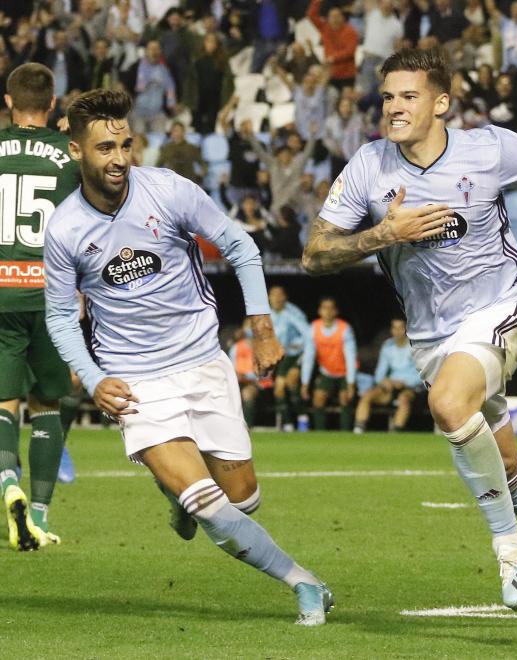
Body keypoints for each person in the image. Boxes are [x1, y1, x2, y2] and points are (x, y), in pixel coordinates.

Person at [302, 47, 517, 619]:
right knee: (503, 462)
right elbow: (314, 254)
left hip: (498, 310)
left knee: (448, 403)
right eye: (388, 97)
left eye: (409, 96)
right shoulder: (369, 166)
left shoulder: (490, 148)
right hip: (431, 336)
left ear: (441, 103)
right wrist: (382, 234)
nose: (394, 107)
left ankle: (508, 550)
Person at [43, 89, 333, 625]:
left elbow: (242, 247)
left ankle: (178, 498)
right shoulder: (63, 229)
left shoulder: (169, 190)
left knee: (242, 501)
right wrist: (92, 376)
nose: (119, 158)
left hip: (202, 361)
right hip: (136, 381)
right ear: (76, 152)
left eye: (126, 144)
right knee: (208, 505)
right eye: (105, 147)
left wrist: (262, 329)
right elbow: (61, 317)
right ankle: (305, 582)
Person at [0, 63, 80, 550]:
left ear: (9, 102)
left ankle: (9, 482)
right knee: (48, 402)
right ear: (51, 104)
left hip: (1, 291)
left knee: (3, 401)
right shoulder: (68, 156)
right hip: (50, 293)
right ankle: (42, 516)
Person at [354, 319, 421, 433]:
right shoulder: (387, 346)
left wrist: (405, 382)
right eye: (394, 328)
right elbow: (379, 374)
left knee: (403, 400)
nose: (397, 331)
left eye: (400, 328)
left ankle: (395, 433)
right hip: (390, 387)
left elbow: (422, 374)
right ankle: (358, 430)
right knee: (367, 396)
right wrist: (384, 381)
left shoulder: (416, 346)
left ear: (406, 329)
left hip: (410, 388)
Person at [301, 297, 357, 431]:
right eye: (324, 308)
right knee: (318, 399)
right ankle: (320, 434)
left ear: (336, 311)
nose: (328, 311)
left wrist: (350, 383)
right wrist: (305, 382)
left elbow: (351, 357)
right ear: (320, 311)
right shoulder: (313, 328)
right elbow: (308, 357)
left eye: (331, 308)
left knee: (345, 398)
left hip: (344, 372)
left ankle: (346, 434)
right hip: (327, 372)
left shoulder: (345, 329)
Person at [268, 286, 309, 431]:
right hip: (281, 357)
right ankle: (288, 426)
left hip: (297, 355)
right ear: (269, 298)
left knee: (291, 381)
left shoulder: (293, 313)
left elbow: (308, 336)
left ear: (285, 297)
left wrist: (294, 347)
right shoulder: (267, 315)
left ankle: (303, 420)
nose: (277, 298)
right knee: (279, 389)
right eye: (273, 295)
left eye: (280, 295)